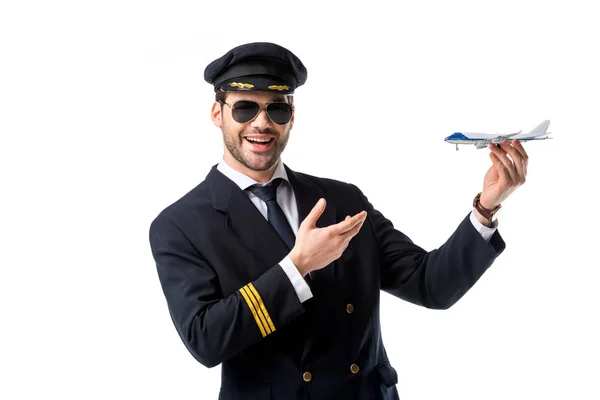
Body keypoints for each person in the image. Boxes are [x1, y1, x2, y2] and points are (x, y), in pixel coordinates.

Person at [148, 42, 528, 400]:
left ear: (292, 117)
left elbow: (432, 286)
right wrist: (297, 267)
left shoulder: (343, 199)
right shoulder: (180, 225)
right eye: (245, 108)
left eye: (277, 109)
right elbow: (205, 340)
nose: (261, 123)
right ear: (218, 113)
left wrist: (485, 209)